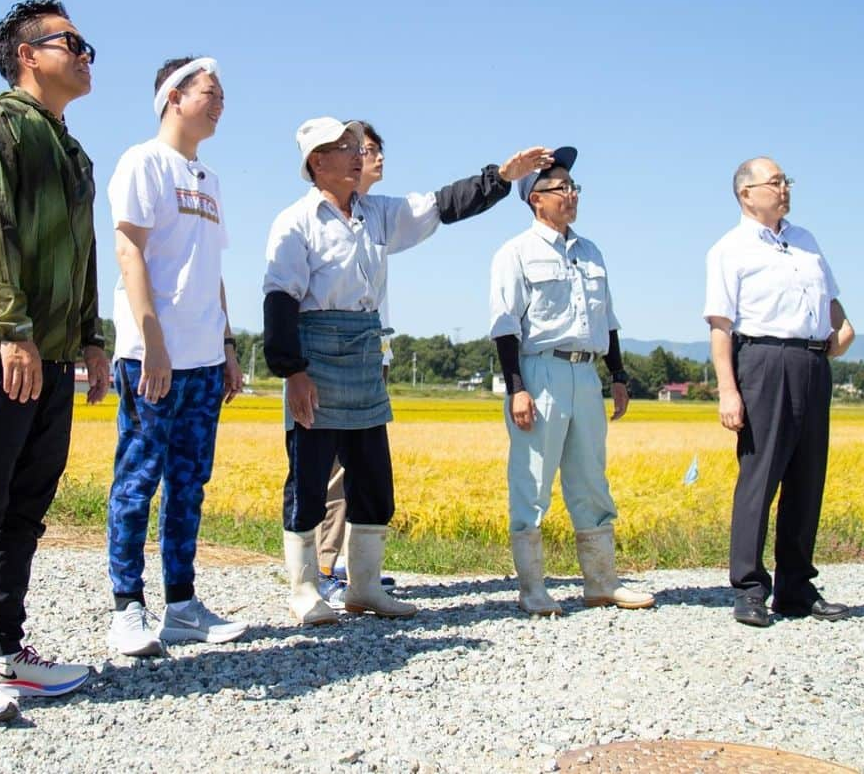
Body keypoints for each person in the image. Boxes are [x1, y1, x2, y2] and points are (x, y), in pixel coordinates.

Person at [264, 118, 551, 625]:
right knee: (308, 475)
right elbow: (280, 298)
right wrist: (292, 372)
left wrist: (502, 178)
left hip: (364, 353)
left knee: (373, 476)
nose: (356, 155)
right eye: (343, 148)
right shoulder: (296, 221)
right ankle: (305, 588)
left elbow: (440, 205)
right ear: (316, 162)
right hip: (315, 353)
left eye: (358, 146)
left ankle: (365, 588)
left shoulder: (376, 213)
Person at [0, 0, 108, 725]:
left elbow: (84, 255)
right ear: (28, 54)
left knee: (25, 508)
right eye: (73, 41)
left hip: (53, 354)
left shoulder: (73, 151)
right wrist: (14, 329)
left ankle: (6, 648)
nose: (87, 53)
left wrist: (91, 340)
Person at [105, 57, 247, 656]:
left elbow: (211, 269)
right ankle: (126, 607)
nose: (219, 103)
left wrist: (228, 346)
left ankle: (182, 605)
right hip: (151, 357)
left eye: (221, 95)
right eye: (209, 93)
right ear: (172, 96)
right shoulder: (142, 161)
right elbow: (128, 250)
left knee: (189, 483)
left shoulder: (209, 179)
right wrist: (153, 340)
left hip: (202, 361)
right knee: (138, 481)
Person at [490, 148, 653, 616]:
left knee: (591, 478)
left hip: (586, 373)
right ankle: (533, 588)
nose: (571, 194)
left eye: (573, 186)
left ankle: (602, 581)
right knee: (533, 478)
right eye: (560, 188)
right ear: (535, 199)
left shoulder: (591, 251)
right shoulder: (515, 253)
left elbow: (608, 318)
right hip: (539, 370)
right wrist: (517, 387)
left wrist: (618, 375)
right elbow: (505, 326)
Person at [703, 157, 855, 628]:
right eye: (774, 182)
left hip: (813, 362)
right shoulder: (729, 249)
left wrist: (845, 328)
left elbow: (831, 302)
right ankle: (749, 587)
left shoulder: (805, 240)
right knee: (760, 476)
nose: (784, 188)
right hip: (764, 361)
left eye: (786, 180)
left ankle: (795, 587)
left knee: (808, 477)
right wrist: (728, 391)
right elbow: (721, 327)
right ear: (746, 193)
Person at [316, 123, 396, 608]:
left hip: (372, 353)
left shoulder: (375, 217)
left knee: (357, 469)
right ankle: (321, 566)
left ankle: (349, 569)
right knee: (326, 467)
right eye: (367, 150)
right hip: (330, 357)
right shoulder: (323, 217)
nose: (377, 157)